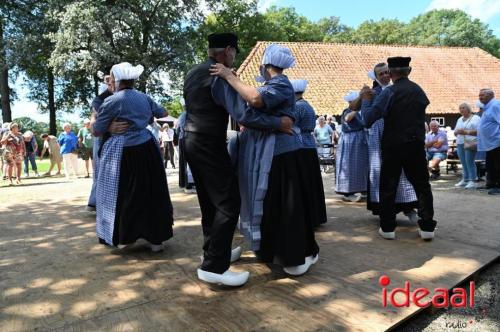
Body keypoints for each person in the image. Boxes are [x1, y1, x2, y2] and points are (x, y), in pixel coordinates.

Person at [184, 34, 295, 286]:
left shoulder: (193, 72)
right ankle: (214, 266)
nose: (235, 58)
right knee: (228, 202)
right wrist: (278, 122)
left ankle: (214, 250)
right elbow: (244, 114)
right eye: (234, 53)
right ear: (228, 50)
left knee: (209, 201)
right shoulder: (217, 74)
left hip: (190, 141)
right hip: (208, 143)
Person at [210, 43, 320, 277]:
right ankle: (273, 250)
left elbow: (256, 100)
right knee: (272, 204)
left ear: (265, 64)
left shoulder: (280, 82)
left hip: (280, 153)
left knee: (284, 206)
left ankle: (295, 254)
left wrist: (230, 76)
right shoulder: (273, 84)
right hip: (270, 154)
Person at [92, 62, 173, 250]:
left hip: (122, 151)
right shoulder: (144, 97)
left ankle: (124, 237)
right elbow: (163, 113)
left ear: (116, 79)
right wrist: (144, 118)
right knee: (152, 191)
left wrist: (106, 124)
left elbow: (97, 131)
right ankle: (156, 239)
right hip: (147, 148)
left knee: (123, 192)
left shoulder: (112, 101)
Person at [360, 56, 437, 240]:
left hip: (393, 144)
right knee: (422, 185)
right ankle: (427, 227)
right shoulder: (419, 90)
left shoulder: (389, 93)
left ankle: (387, 228)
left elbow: (368, 119)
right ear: (408, 71)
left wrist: (365, 100)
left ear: (392, 73)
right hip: (416, 144)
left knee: (388, 186)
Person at [364, 63, 418, 221]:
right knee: (380, 171)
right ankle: (386, 210)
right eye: (380, 74)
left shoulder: (399, 89)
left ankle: (408, 207)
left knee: (403, 171)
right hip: (379, 136)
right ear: (376, 77)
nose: (385, 75)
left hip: (398, 134)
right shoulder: (373, 93)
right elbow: (364, 115)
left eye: (387, 72)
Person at [291, 79, 327, 227]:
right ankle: (316, 215)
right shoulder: (307, 105)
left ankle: (307, 216)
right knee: (312, 181)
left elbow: (292, 124)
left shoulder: (297, 107)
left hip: (301, 145)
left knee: (304, 181)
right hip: (310, 144)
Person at [86, 74, 116, 212]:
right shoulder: (100, 98)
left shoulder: (122, 94)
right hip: (103, 135)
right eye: (109, 81)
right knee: (100, 168)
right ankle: (95, 202)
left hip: (113, 136)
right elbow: (97, 119)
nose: (111, 83)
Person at [335, 90, 368, 202]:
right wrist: (356, 110)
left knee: (361, 165)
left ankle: (363, 189)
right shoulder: (348, 111)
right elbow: (347, 118)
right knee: (349, 165)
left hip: (359, 140)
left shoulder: (361, 111)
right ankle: (347, 191)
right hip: (350, 141)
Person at [477, 88, 500, 195]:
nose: (480, 98)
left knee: (497, 164)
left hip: (497, 141)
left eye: (482, 95)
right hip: (489, 143)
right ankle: (491, 183)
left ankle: (498, 186)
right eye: (479, 96)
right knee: (490, 164)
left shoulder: (495, 105)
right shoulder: (487, 108)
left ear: (490, 95)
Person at [453, 103, 480, 189]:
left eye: (463, 108)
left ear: (468, 108)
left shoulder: (476, 118)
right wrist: (456, 132)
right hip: (460, 142)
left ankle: (473, 180)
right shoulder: (459, 119)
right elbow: (455, 132)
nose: (461, 110)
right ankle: (465, 179)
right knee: (463, 162)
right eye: (460, 108)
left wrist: (466, 132)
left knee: (469, 161)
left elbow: (479, 131)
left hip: (471, 142)